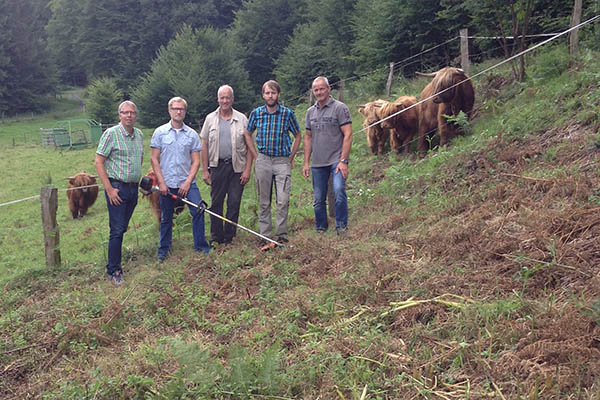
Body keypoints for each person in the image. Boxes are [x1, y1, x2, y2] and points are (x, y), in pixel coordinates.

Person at [150, 96, 210, 261]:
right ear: (170, 111)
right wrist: (161, 182)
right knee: (166, 217)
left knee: (198, 210)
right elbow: (154, 159)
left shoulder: (191, 135)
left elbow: (196, 160)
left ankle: (201, 247)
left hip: (187, 183)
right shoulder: (160, 133)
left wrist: (188, 181)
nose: (178, 111)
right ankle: (164, 250)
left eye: (181, 109)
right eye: (175, 108)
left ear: (185, 111)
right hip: (166, 183)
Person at [244, 80, 301, 246]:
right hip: (263, 160)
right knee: (264, 200)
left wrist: (291, 157)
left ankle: (281, 234)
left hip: (282, 161)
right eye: (267, 93)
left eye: (273, 93)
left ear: (278, 95)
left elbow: (298, 135)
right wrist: (255, 155)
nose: (270, 96)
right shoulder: (257, 113)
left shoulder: (287, 114)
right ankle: (265, 236)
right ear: (263, 95)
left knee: (283, 199)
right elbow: (247, 133)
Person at [94, 100, 144, 285]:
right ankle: (113, 270)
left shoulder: (138, 135)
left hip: (133, 188)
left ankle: (115, 259)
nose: (129, 115)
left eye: (132, 112)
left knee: (122, 227)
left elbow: (140, 157)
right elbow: (99, 162)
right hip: (117, 187)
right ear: (119, 115)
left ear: (135, 115)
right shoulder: (111, 134)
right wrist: (109, 189)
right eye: (125, 112)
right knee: (116, 230)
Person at [200, 85, 251, 246]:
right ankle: (216, 237)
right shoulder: (210, 119)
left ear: (232, 99)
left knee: (234, 202)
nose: (225, 101)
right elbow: (204, 145)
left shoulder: (242, 119)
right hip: (217, 166)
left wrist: (248, 170)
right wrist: (205, 170)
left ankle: (230, 237)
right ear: (218, 99)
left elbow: (250, 147)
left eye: (227, 97)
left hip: (237, 167)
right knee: (216, 202)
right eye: (222, 98)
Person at [302, 76, 353, 234]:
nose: (319, 92)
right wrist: (306, 162)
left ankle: (341, 226)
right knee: (318, 199)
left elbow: (348, 134)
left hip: (336, 160)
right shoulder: (310, 112)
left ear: (329, 89)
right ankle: (321, 228)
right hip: (318, 163)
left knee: (338, 191)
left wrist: (343, 161)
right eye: (316, 90)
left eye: (322, 88)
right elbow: (308, 137)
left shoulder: (340, 108)